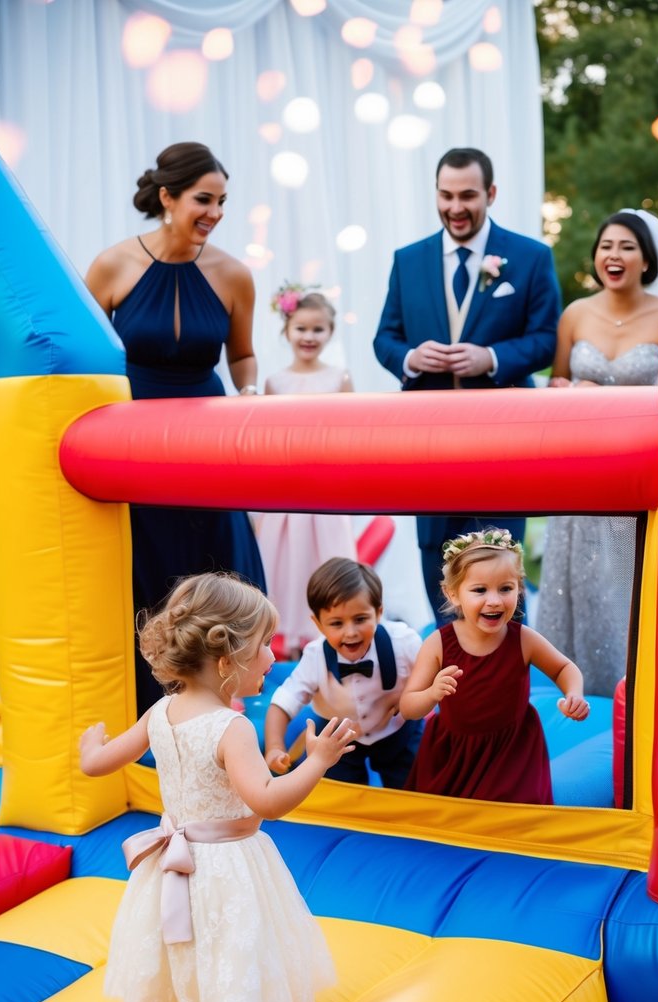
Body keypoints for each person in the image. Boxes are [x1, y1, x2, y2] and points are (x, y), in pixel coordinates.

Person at [79, 572, 354, 1002]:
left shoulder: (160, 711)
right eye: (264, 647)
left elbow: (100, 763)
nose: (274, 657)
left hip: (170, 864)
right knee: (248, 965)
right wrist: (316, 760)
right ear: (228, 661)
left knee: (169, 954)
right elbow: (269, 802)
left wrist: (89, 745)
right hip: (229, 868)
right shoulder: (233, 729)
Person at [85, 141, 266, 716]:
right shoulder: (113, 265)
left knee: (215, 564)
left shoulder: (234, 274)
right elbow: (86, 359)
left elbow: (241, 356)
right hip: (135, 443)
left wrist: (250, 394)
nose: (214, 212)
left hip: (207, 443)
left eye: (222, 202)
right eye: (203, 200)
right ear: (167, 197)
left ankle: (221, 705)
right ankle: (148, 707)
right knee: (150, 569)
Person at [373, 146, 562, 625]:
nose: (455, 207)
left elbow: (546, 339)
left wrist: (493, 358)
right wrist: (410, 358)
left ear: (491, 194)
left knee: (498, 560)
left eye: (468, 196)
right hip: (427, 444)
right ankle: (450, 688)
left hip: (503, 443)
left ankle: (505, 691)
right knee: (437, 559)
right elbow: (385, 339)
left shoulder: (531, 258)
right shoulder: (407, 260)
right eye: (446, 195)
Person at [538, 208, 658, 698]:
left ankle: (637, 688)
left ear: (647, 258)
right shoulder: (575, 314)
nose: (614, 255)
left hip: (634, 476)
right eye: (606, 246)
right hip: (578, 476)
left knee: (624, 585)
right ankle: (572, 692)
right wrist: (566, 389)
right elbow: (555, 383)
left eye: (626, 246)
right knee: (575, 588)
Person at [400, 529, 589, 804]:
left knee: (515, 816)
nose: (495, 600)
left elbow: (564, 669)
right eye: (479, 590)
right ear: (453, 594)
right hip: (455, 755)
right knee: (444, 823)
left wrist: (574, 693)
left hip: (512, 753)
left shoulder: (523, 639)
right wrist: (431, 695)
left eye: (506, 588)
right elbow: (408, 706)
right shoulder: (438, 644)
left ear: (519, 588)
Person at [255, 287, 357, 658]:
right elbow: (266, 438)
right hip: (286, 490)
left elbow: (350, 434)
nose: (309, 337)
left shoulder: (338, 377)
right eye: (301, 328)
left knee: (326, 561)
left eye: (318, 330)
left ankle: (326, 642)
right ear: (287, 330)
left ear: (330, 333)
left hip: (325, 488)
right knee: (285, 564)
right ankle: (287, 642)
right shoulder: (275, 382)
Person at [264, 557, 423, 788]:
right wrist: (275, 747)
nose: (350, 632)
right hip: (338, 736)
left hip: (396, 729)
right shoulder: (315, 656)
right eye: (336, 623)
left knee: (413, 786)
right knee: (338, 792)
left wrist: (409, 694)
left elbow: (431, 670)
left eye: (360, 619)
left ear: (379, 613)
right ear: (318, 624)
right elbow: (284, 702)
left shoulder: (403, 642)